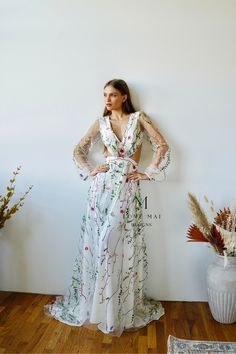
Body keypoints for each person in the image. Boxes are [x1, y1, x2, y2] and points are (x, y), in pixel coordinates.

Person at [44, 79, 170, 336]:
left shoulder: (138, 118)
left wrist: (149, 172)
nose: (107, 99)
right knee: (100, 244)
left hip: (127, 186)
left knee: (119, 245)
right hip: (100, 189)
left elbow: (162, 145)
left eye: (112, 95)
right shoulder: (101, 123)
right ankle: (100, 310)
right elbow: (78, 150)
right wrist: (92, 170)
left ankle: (118, 311)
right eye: (104, 95)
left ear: (124, 97)